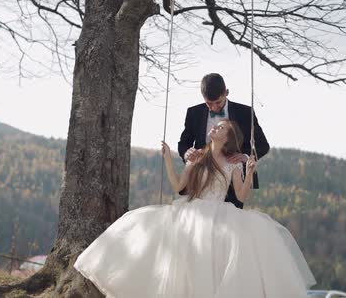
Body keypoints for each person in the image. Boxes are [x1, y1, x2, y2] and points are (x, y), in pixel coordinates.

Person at [74, 120, 316, 298]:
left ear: (227, 138)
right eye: (216, 126)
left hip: (220, 213)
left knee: (214, 264)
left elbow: (241, 196)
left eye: (222, 128)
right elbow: (179, 186)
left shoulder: (233, 164)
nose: (215, 128)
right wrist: (169, 158)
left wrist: (250, 171)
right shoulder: (196, 157)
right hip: (191, 212)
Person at [178, 73, 269, 209]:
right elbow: (183, 143)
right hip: (200, 181)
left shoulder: (245, 112)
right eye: (209, 103)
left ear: (226, 92)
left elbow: (263, 145)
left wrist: (244, 157)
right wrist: (187, 153)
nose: (214, 107)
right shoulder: (194, 113)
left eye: (218, 102)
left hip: (233, 182)